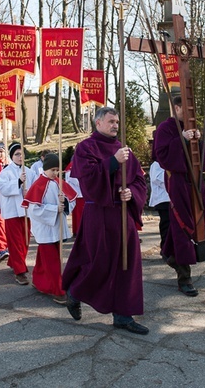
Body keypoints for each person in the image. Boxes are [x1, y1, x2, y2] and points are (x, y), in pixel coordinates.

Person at [61, 107, 149, 335]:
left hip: (123, 215)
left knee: (127, 265)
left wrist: (131, 193)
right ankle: (75, 292)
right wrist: (112, 162)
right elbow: (88, 180)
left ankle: (123, 315)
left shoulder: (124, 149)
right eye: (111, 121)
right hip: (99, 214)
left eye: (117, 122)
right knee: (99, 263)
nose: (115, 125)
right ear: (98, 123)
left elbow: (139, 179)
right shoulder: (86, 147)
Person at [154, 95, 205, 297]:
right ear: (177, 108)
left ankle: (170, 254)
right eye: (187, 108)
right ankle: (185, 278)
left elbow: (202, 160)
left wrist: (198, 142)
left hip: (196, 182)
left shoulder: (194, 127)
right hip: (177, 182)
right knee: (181, 226)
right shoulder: (166, 128)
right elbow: (162, 155)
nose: (191, 112)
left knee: (195, 223)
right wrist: (181, 139)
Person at [22, 153, 77, 304]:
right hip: (45, 229)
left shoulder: (59, 182)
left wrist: (64, 204)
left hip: (57, 227)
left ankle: (39, 280)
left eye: (57, 169)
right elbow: (34, 210)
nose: (55, 173)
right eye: (52, 169)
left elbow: (72, 200)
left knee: (46, 257)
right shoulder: (38, 185)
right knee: (53, 261)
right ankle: (58, 290)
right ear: (45, 169)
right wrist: (54, 209)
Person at [0, 142, 36, 285]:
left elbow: (36, 188)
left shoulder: (30, 171)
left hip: (26, 211)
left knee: (25, 241)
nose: (20, 157)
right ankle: (20, 271)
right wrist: (18, 182)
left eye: (22, 154)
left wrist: (29, 192)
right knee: (16, 241)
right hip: (12, 211)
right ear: (12, 156)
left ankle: (15, 261)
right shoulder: (5, 172)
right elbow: (3, 189)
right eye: (17, 154)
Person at [148, 142, 170, 257]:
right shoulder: (156, 164)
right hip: (162, 199)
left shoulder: (169, 163)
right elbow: (159, 179)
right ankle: (165, 249)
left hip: (171, 199)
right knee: (166, 225)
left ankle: (170, 248)